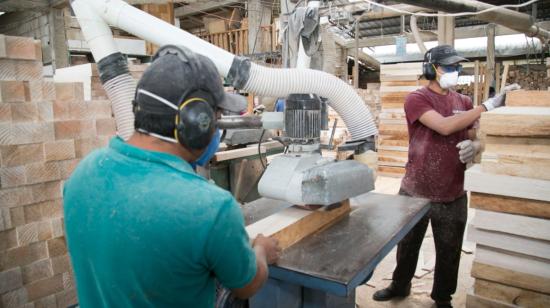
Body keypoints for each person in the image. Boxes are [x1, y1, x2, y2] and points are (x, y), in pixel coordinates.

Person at [63, 45, 281, 307]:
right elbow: (247, 286)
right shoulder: (211, 208)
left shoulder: (82, 175)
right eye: (217, 117)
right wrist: (261, 251)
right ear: (195, 120)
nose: (217, 128)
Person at [372, 45, 519, 308]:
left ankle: (442, 298)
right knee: (407, 244)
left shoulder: (462, 102)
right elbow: (444, 126)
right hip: (416, 188)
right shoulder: (417, 99)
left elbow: (475, 133)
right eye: (449, 67)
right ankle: (399, 284)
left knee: (449, 250)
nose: (455, 71)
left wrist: (477, 145)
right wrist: (488, 105)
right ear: (431, 69)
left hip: (452, 188)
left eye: (457, 67)